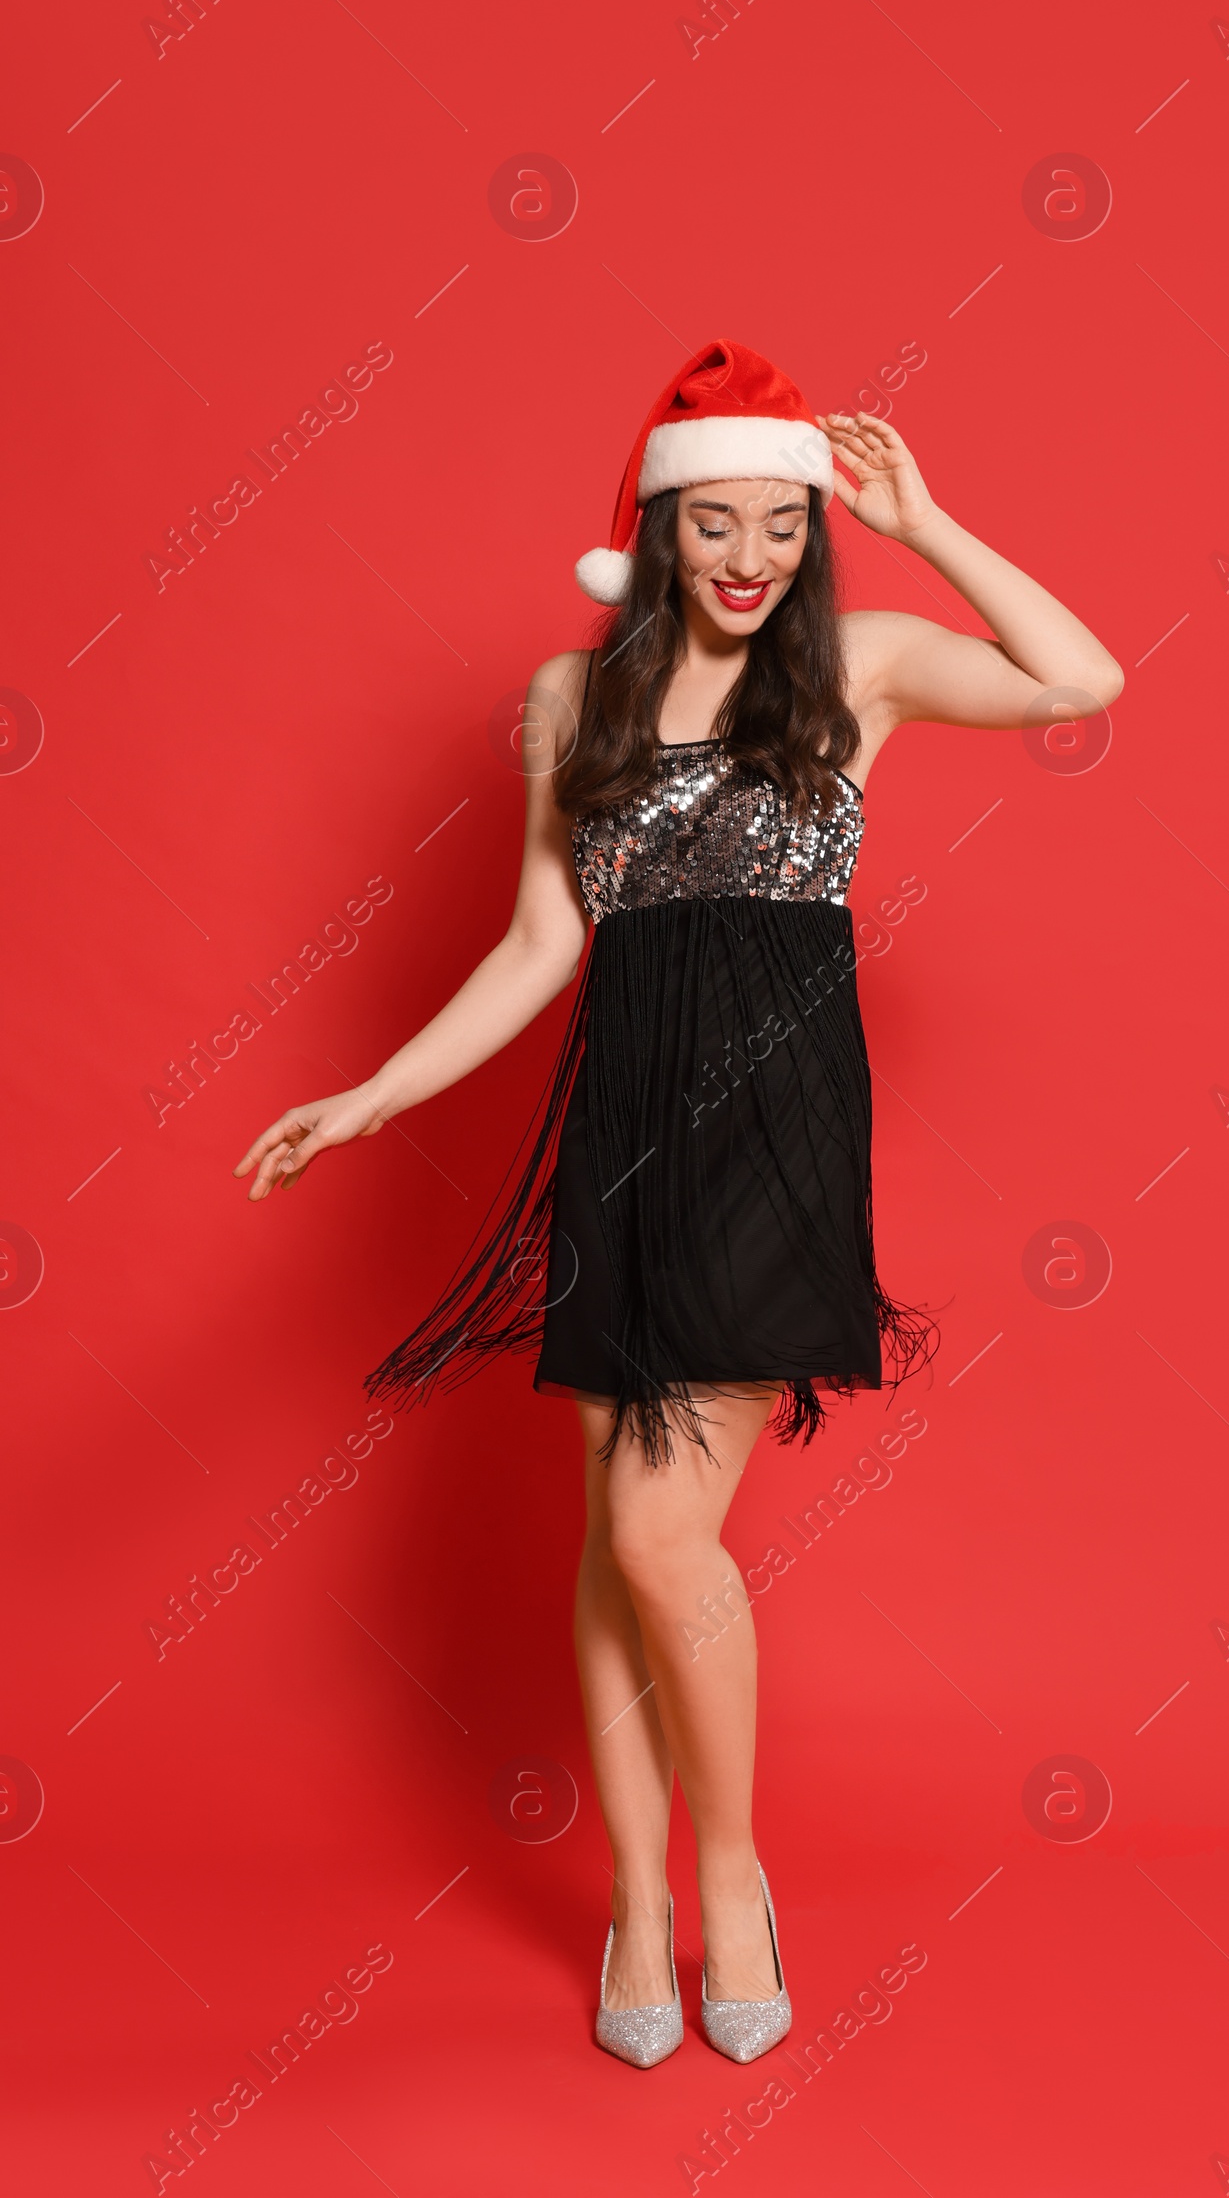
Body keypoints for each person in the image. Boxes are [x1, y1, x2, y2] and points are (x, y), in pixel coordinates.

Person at [233, 337, 1123, 2069]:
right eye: (712, 523)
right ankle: (640, 1898)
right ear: (655, 532)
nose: (745, 558)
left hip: (777, 1132)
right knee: (611, 1542)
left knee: (659, 1535)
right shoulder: (577, 705)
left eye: (778, 526)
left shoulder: (859, 672)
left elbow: (1081, 675)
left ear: (810, 528)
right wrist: (368, 1097)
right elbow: (539, 945)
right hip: (621, 1125)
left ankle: (734, 1875)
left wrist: (927, 522)